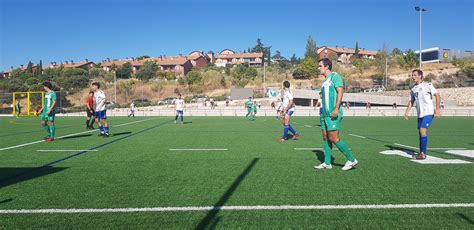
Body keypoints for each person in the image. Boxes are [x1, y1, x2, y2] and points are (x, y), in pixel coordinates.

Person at [314, 58, 358, 171]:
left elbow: (340, 91)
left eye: (320, 66)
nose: (318, 68)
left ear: (327, 66)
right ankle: (327, 162)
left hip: (333, 113)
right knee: (325, 138)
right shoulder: (325, 81)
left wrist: (336, 109)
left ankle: (351, 159)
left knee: (333, 137)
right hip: (325, 114)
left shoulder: (335, 77)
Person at [404, 69, 441, 160]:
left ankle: (423, 154)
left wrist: (438, 109)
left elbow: (437, 95)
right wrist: (407, 111)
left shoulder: (427, 85)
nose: (413, 77)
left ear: (420, 76)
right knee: (420, 133)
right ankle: (421, 152)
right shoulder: (413, 88)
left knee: (422, 130)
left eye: (415, 75)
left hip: (428, 112)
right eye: (412, 75)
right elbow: (411, 101)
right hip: (420, 114)